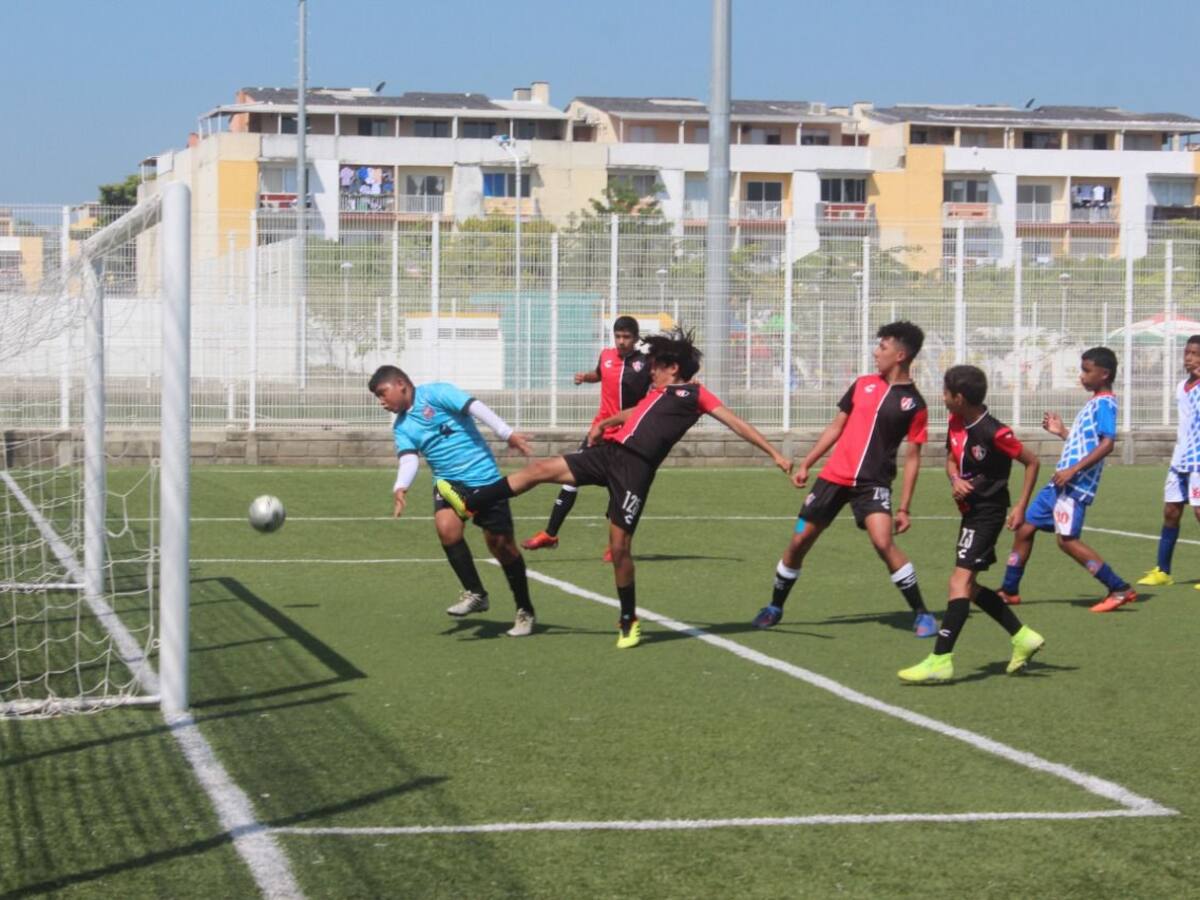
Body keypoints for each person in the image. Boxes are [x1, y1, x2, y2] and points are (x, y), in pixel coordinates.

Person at [436, 329, 792, 650]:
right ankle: (471, 502)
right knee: (540, 469)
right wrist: (605, 421)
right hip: (609, 454)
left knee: (619, 548)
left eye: (655, 366)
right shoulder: (655, 394)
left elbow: (737, 423)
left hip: (635, 471)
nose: (649, 371)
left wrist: (775, 452)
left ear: (672, 367)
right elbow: (634, 413)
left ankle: (628, 620)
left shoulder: (695, 395)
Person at [751, 320, 938, 637]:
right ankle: (774, 606)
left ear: (901, 354)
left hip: (873, 485)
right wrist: (808, 462)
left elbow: (913, 456)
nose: (875, 351)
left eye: (883, 346)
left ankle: (921, 613)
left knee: (883, 542)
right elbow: (836, 427)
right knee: (798, 540)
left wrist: (905, 507)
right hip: (831, 480)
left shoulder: (914, 404)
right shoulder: (862, 384)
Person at [898, 365, 1045, 683]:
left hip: (988, 514)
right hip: (970, 513)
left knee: (958, 584)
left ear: (959, 397)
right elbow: (952, 459)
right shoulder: (956, 421)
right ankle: (1022, 637)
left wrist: (1020, 506)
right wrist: (954, 478)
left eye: (946, 392)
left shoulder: (995, 432)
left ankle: (940, 658)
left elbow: (1032, 462)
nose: (942, 397)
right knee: (971, 588)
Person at [368, 365, 539, 637]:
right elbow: (410, 458)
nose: (381, 402)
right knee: (446, 528)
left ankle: (525, 609)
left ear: (400, 383)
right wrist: (401, 486)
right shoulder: (401, 426)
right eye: (378, 397)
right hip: (449, 484)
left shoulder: (436, 393)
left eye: (382, 393)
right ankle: (476, 593)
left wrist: (507, 433)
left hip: (483, 478)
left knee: (502, 548)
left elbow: (475, 407)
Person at [997, 347, 1136, 612]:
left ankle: (1119, 588)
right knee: (1025, 528)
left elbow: (1107, 444)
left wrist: (1073, 471)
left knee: (1067, 540)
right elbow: (1085, 442)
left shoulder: (1106, 403)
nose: (1082, 376)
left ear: (1104, 374)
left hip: (1073, 485)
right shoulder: (1095, 402)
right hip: (1058, 484)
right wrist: (1063, 432)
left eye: (1086, 371)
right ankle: (1009, 590)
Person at [522, 315, 651, 560]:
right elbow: (600, 374)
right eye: (618, 336)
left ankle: (618, 546)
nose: (621, 341)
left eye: (627, 337)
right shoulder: (606, 356)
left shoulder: (644, 363)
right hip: (599, 431)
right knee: (570, 478)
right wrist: (586, 377)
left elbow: (663, 385)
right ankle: (550, 534)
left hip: (628, 434)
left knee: (620, 490)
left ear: (635, 338)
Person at [1137, 335, 1200, 589]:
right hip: (1180, 458)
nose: (1189, 358)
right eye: (1187, 353)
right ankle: (1163, 571)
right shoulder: (1180, 386)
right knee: (1171, 511)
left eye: (1195, 353)